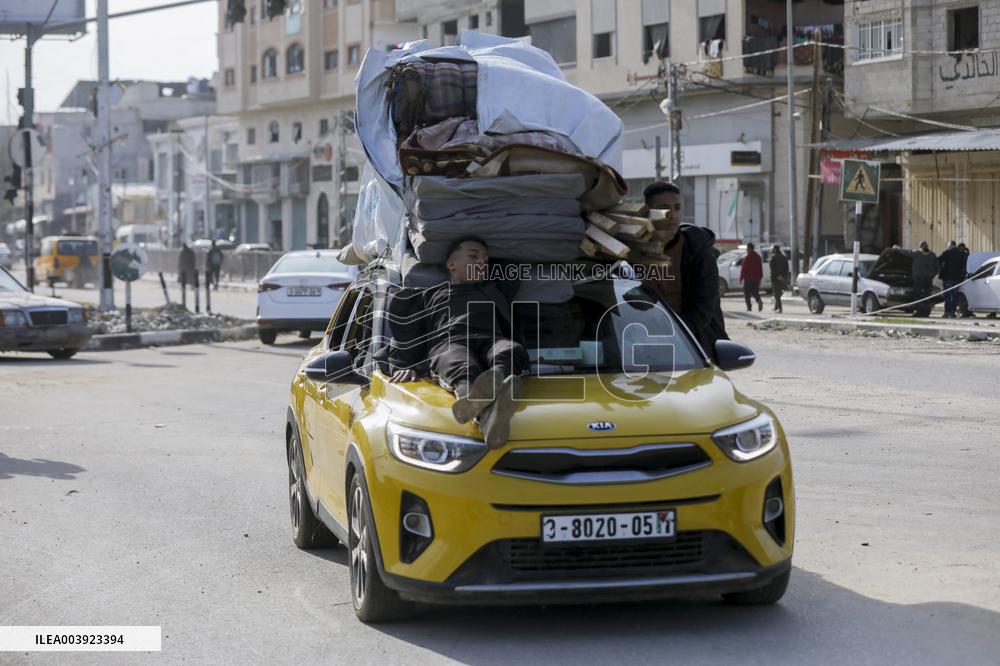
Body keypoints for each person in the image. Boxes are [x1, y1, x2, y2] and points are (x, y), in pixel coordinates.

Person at [387, 238, 526, 448]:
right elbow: (408, 332)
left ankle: (493, 387)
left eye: (486, 259)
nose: (482, 262)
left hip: (491, 341)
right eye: (473, 256)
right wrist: (405, 366)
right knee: (457, 360)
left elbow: (516, 262)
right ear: (451, 264)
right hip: (450, 344)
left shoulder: (494, 290)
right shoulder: (430, 295)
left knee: (511, 349)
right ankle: (474, 399)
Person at [641, 181, 729, 359]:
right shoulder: (633, 250)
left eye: (677, 208)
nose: (672, 215)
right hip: (640, 345)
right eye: (664, 208)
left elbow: (703, 309)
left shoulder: (698, 252)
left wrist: (673, 336)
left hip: (693, 347)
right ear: (647, 212)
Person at [937, 240, 965, 318]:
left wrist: (940, 269)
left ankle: (947, 312)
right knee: (954, 296)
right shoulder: (961, 254)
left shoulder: (947, 253)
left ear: (950, 246)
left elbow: (938, 260)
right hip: (957, 279)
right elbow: (963, 265)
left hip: (948, 278)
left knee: (948, 296)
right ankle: (952, 312)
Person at [912, 241, 939, 316]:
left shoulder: (916, 254)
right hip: (928, 279)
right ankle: (926, 312)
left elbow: (905, 254)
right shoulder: (933, 255)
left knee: (918, 296)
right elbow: (937, 268)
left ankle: (918, 312)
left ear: (920, 246)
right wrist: (932, 275)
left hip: (918, 279)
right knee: (927, 296)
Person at [740, 243, 764, 312]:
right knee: (755, 292)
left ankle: (749, 307)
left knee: (746, 293)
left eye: (747, 249)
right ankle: (759, 301)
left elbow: (744, 269)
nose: (747, 250)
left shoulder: (747, 258)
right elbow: (760, 268)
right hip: (756, 278)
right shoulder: (758, 257)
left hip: (748, 279)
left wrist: (741, 277)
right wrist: (760, 277)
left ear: (749, 249)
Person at [769, 244, 790, 313]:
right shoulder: (784, 258)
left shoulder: (773, 258)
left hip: (775, 278)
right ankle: (776, 306)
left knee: (776, 293)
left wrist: (778, 276)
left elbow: (772, 269)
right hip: (783, 277)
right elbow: (787, 268)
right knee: (779, 292)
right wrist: (783, 276)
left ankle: (779, 308)